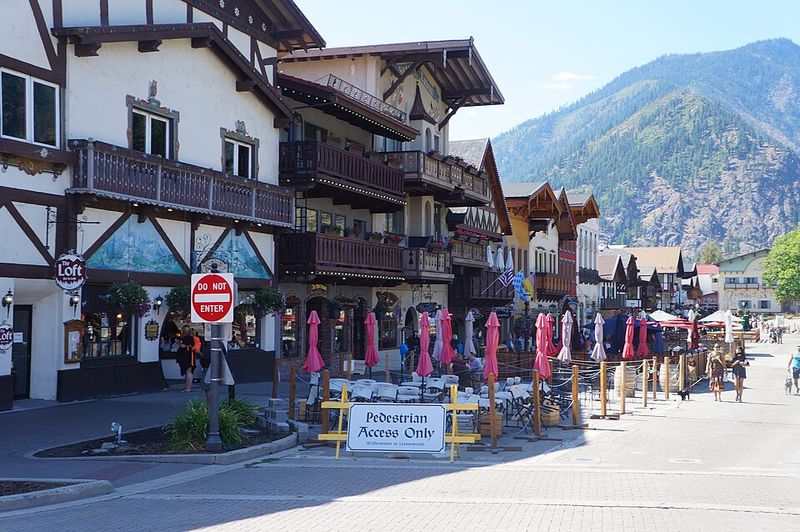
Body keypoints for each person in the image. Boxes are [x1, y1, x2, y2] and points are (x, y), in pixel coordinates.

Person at [177, 325, 196, 392]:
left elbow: (182, 346)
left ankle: (188, 388)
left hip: (187, 357)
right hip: (191, 356)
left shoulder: (185, 338)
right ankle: (187, 387)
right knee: (189, 371)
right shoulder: (191, 338)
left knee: (188, 372)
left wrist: (178, 342)